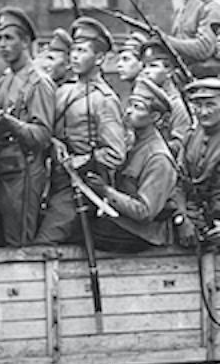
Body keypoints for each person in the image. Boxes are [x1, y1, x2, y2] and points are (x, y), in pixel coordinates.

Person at [35, 17, 127, 245]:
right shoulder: (63, 90)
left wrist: (84, 159)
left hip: (81, 186)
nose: (74, 56)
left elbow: (116, 153)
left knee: (45, 242)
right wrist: (54, 142)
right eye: (74, 50)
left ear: (100, 58)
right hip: (52, 181)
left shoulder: (104, 100)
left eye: (82, 51)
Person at [0, 7, 55, 247]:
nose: (2, 45)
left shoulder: (39, 83)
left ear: (25, 41)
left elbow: (42, 136)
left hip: (24, 173)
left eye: (9, 38)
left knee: (19, 242)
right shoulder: (4, 81)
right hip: (1, 171)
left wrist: (6, 120)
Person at [85, 76, 178, 252]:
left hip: (143, 234)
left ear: (155, 116)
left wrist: (105, 191)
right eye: (130, 105)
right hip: (122, 221)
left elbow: (144, 212)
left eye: (137, 107)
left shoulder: (158, 158)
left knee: (79, 229)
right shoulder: (131, 143)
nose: (128, 111)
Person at [172, 78, 220, 247]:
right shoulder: (191, 137)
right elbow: (179, 182)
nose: (203, 112)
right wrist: (182, 218)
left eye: (210, 105)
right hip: (196, 221)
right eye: (198, 106)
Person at [138, 38, 192, 149]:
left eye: (153, 66)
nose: (146, 71)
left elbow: (181, 143)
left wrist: (154, 147)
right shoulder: (141, 97)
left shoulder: (176, 104)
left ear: (169, 71)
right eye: (144, 66)